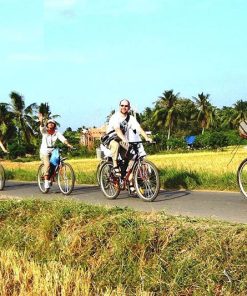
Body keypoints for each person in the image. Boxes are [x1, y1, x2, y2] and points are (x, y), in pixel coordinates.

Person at [106, 99, 152, 179]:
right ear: (119, 106)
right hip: (112, 139)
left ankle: (129, 182)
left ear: (129, 107)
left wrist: (146, 137)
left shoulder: (131, 118)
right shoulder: (115, 117)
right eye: (122, 105)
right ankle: (115, 165)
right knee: (116, 144)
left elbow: (139, 128)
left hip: (123, 141)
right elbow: (117, 130)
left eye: (126, 106)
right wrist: (124, 139)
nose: (124, 107)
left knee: (132, 157)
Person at [38, 113, 73, 189]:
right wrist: (41, 121)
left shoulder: (56, 132)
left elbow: (63, 139)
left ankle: (52, 177)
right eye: (49, 123)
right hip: (44, 151)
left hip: (53, 151)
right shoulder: (45, 131)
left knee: (56, 163)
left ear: (54, 125)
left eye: (52, 123)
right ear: (47, 125)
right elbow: (41, 127)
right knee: (47, 165)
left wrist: (68, 144)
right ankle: (46, 182)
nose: (51, 124)